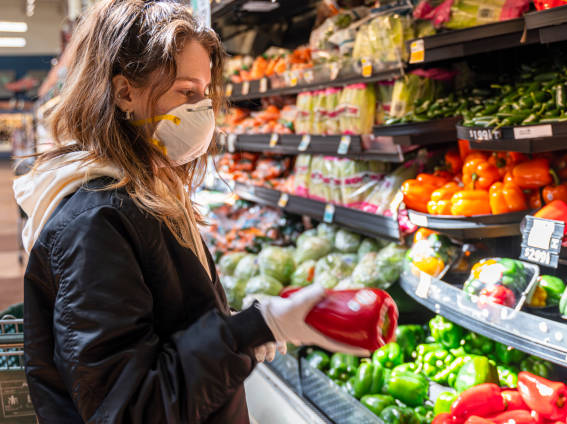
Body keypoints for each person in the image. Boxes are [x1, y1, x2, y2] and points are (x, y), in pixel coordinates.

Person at [13, 1, 367, 423]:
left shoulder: (142, 192)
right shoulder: (96, 224)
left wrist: (236, 329)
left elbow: (158, 332)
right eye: (187, 92)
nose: (203, 111)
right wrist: (251, 330)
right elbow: (130, 409)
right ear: (125, 91)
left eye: (205, 94)